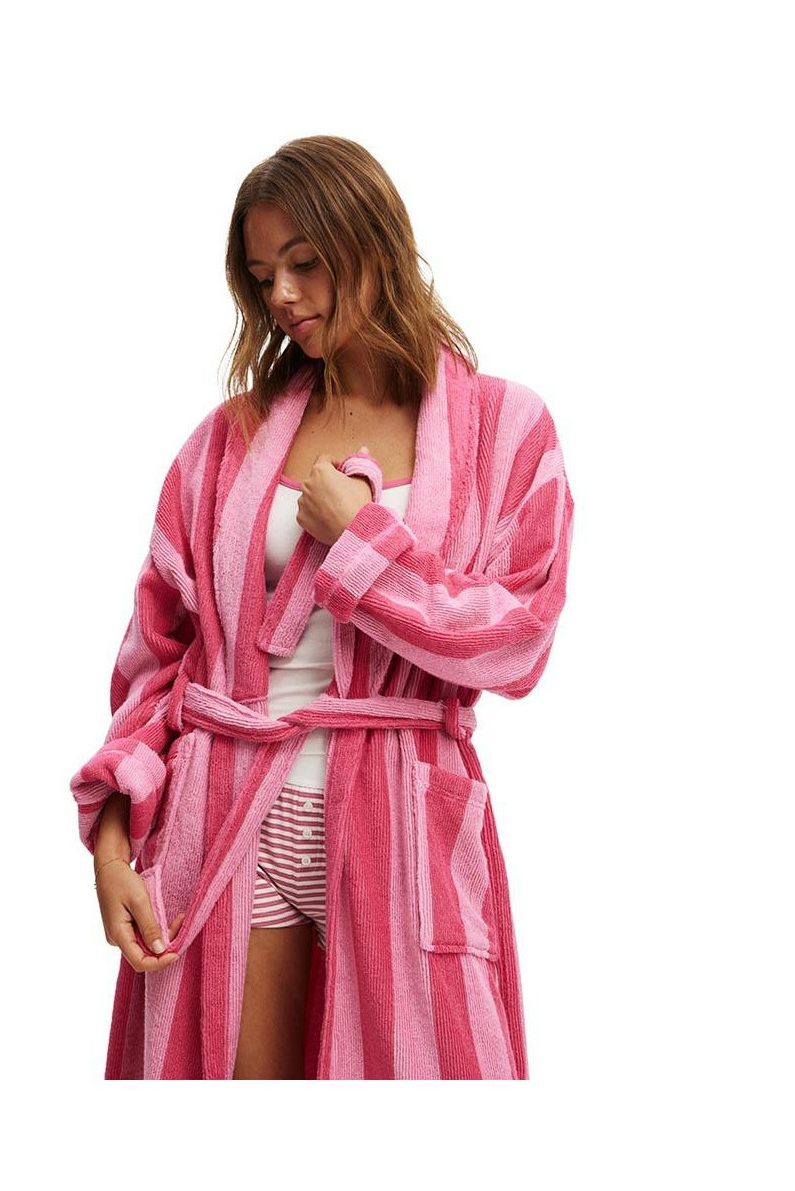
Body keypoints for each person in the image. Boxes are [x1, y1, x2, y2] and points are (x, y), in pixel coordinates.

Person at [70, 135, 575, 1079]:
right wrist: (109, 847)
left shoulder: (507, 430)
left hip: (402, 812)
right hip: (225, 811)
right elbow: (155, 659)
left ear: (374, 243)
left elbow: (518, 639)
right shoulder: (227, 441)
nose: (284, 297)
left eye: (304, 263)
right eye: (264, 276)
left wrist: (362, 545)